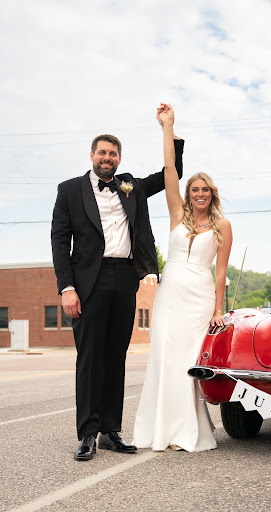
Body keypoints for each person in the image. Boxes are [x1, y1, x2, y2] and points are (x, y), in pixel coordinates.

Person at [51, 117, 184, 461]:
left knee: (115, 356)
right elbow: (60, 241)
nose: (107, 158)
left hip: (125, 277)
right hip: (88, 283)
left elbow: (172, 174)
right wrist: (67, 287)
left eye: (113, 154)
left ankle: (111, 430)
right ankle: (87, 433)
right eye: (102, 152)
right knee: (90, 358)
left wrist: (169, 130)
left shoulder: (130, 186)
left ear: (119, 159)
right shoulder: (69, 190)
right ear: (92, 155)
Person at [132, 103, 232, 452]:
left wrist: (217, 310)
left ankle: (187, 430)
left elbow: (221, 273)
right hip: (170, 293)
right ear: (188, 194)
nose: (199, 194)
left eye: (205, 190)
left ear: (212, 194)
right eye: (195, 190)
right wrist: (167, 127)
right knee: (165, 356)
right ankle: (162, 429)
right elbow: (170, 169)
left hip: (199, 298)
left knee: (188, 361)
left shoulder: (222, 225)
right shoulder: (177, 214)